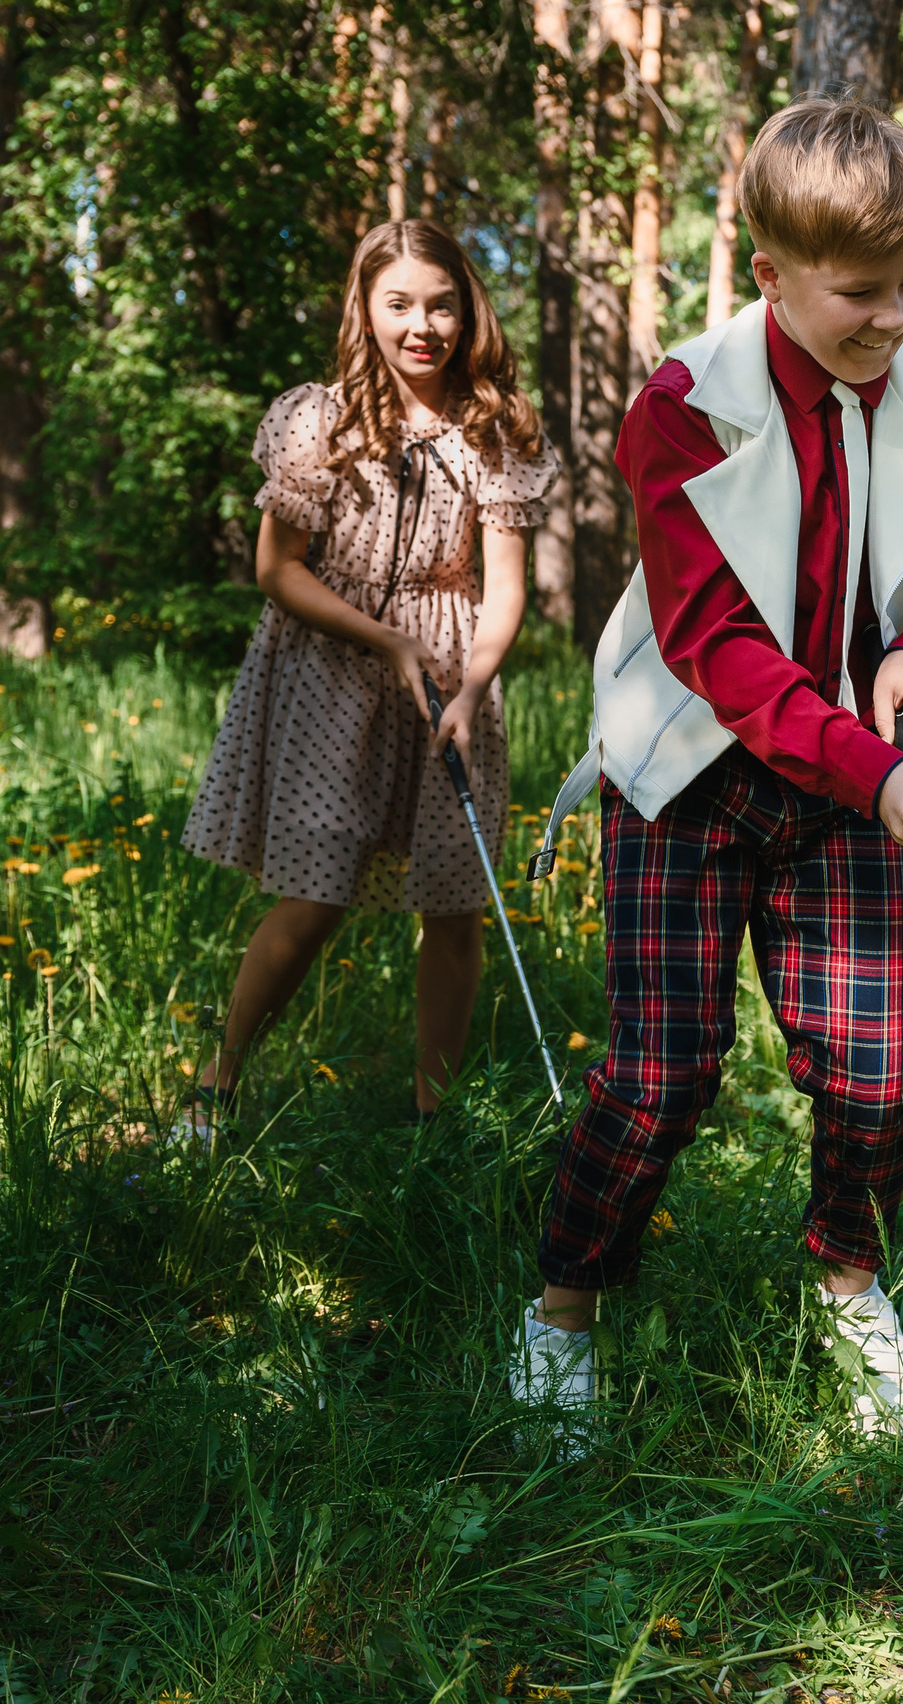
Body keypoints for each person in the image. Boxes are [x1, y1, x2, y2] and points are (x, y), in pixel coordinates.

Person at [517, 96, 903, 1441]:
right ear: (771, 276)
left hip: (864, 772)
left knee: (873, 1075)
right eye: (860, 292)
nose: (895, 316)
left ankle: (850, 1290)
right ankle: (563, 1309)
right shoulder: (684, 410)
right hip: (691, 769)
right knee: (661, 1076)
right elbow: (717, 649)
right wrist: (872, 768)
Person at [178, 219, 558, 1136]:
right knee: (317, 893)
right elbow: (278, 571)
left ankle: (435, 1119)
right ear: (366, 309)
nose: (422, 325)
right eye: (399, 305)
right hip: (330, 672)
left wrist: (471, 686)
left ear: (467, 310)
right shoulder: (320, 420)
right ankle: (215, 1088)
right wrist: (387, 643)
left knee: (455, 903)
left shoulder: (494, 426)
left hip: (449, 673)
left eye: (441, 305)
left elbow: (503, 590)